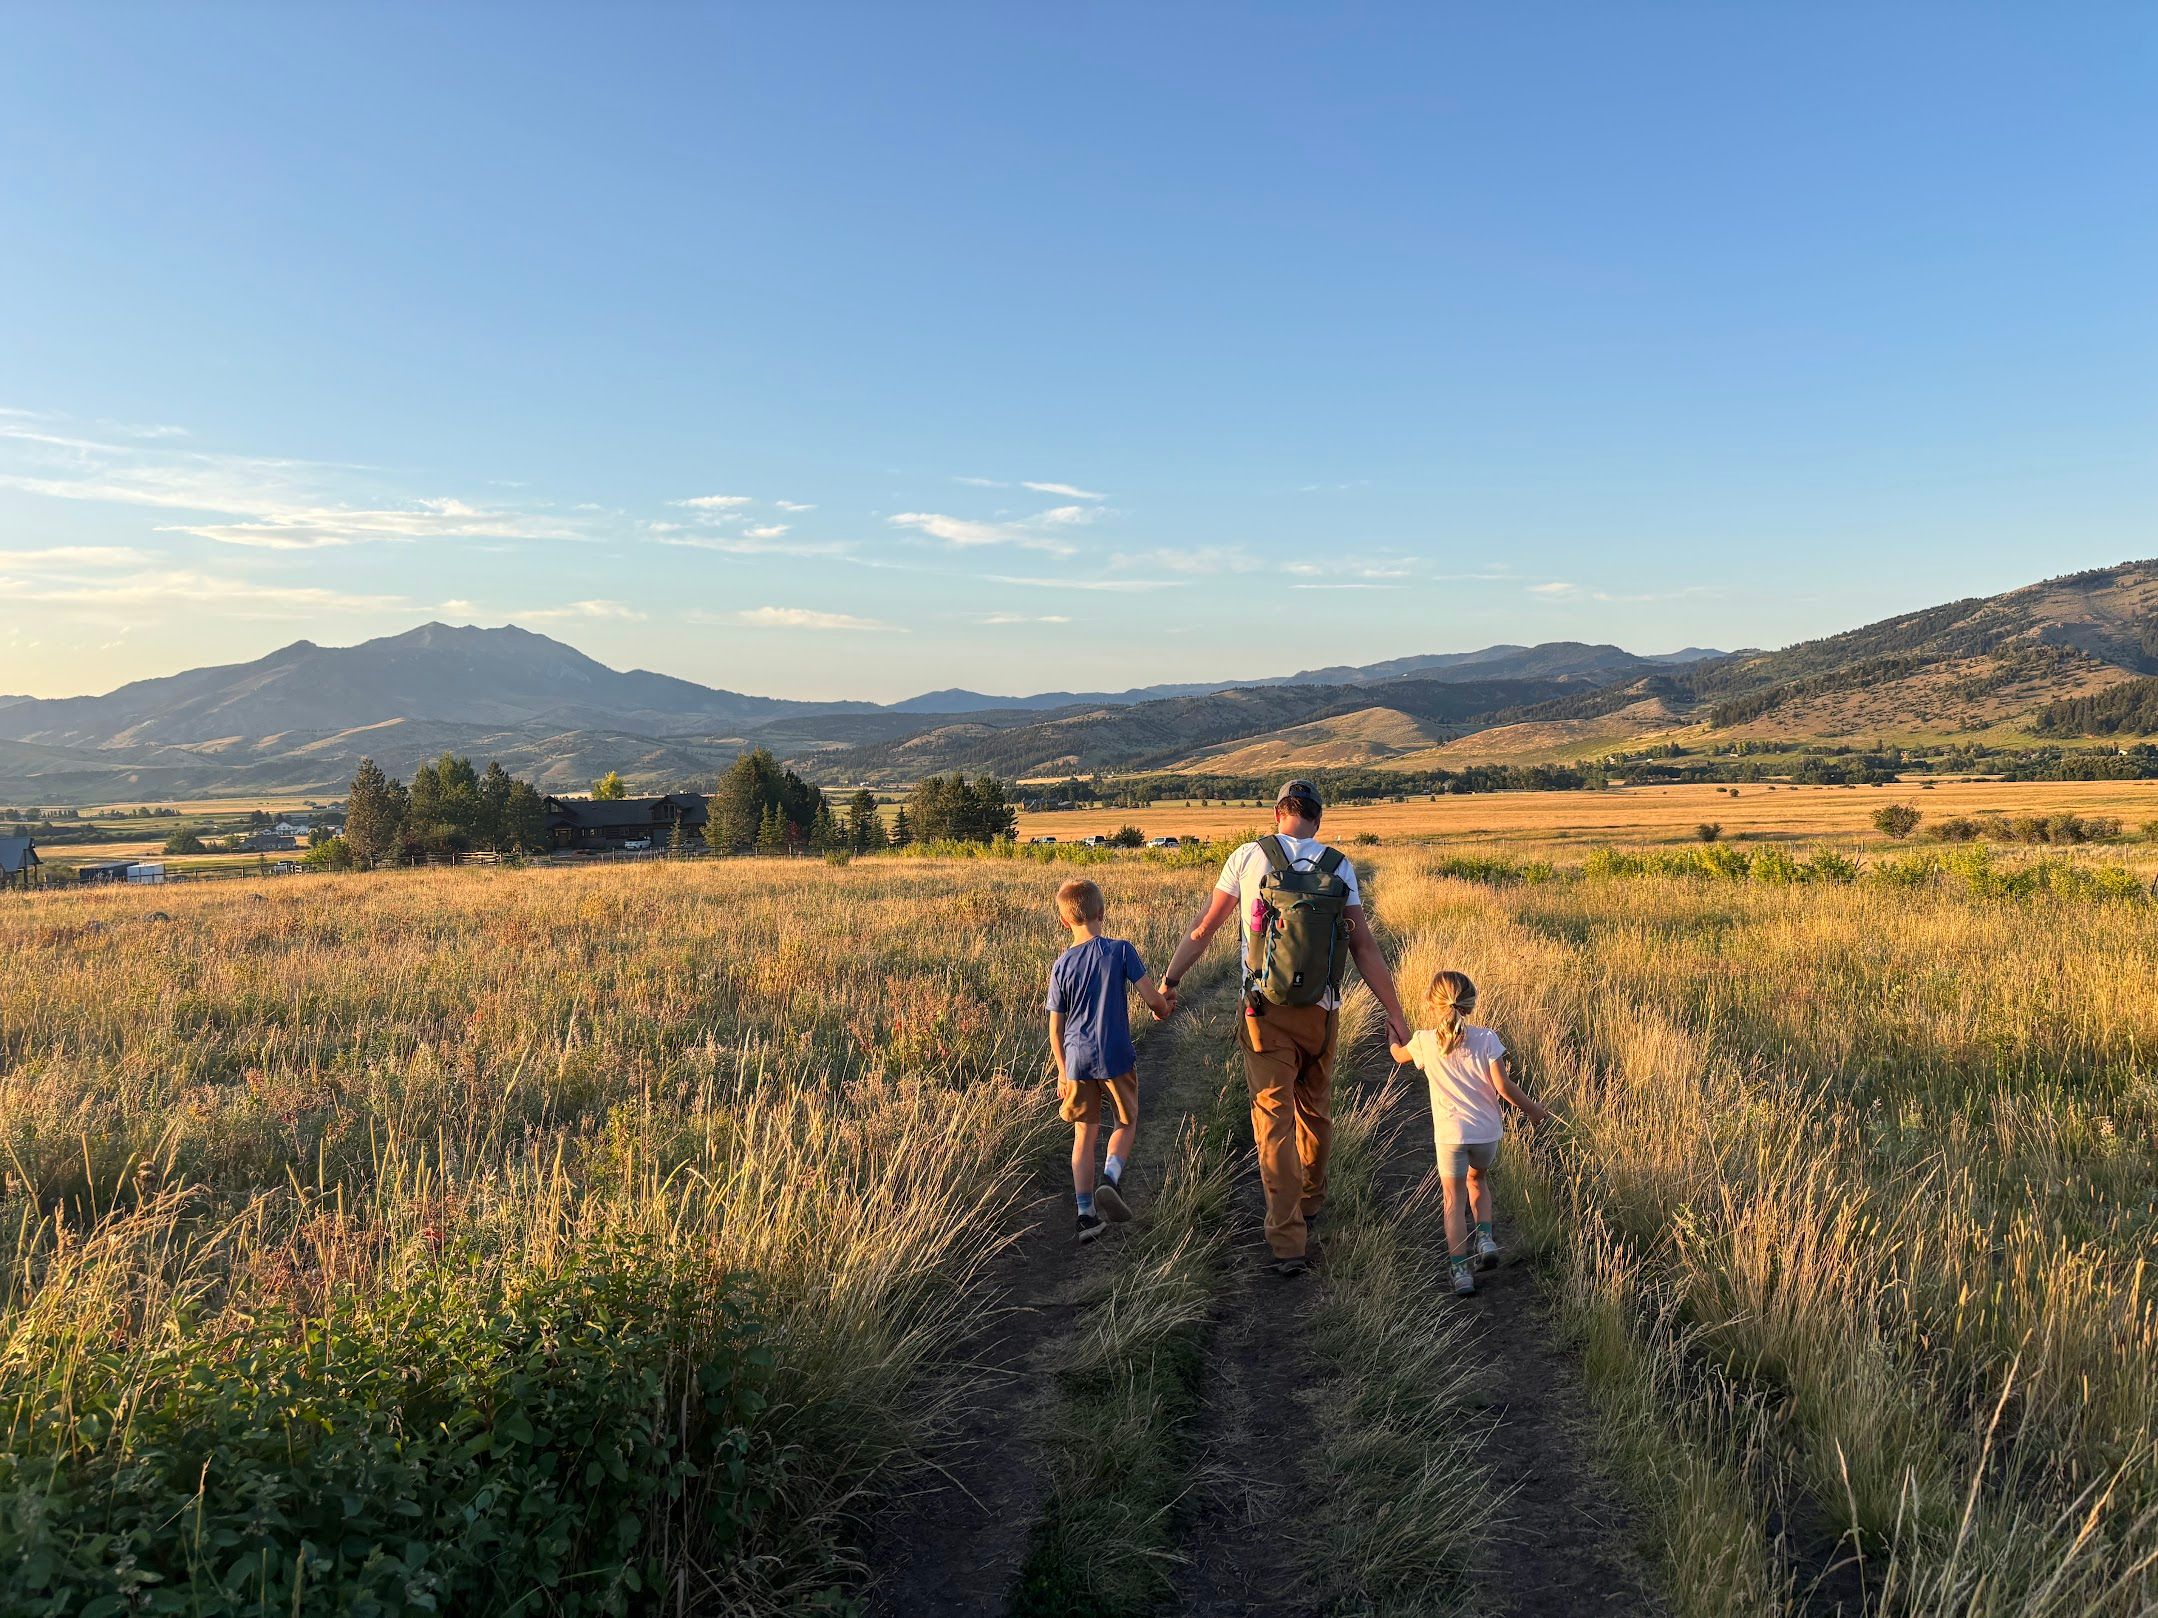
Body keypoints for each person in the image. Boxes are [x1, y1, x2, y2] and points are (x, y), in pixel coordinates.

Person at [1158, 780, 1409, 1276]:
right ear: (1318, 820)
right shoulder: (1338, 866)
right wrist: (1395, 1013)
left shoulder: (1248, 857)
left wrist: (1171, 979)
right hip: (1322, 1009)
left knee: (1272, 1118)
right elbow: (1363, 948)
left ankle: (1287, 1240)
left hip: (1262, 1010)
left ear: (1278, 814)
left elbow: (1205, 928)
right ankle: (1311, 1202)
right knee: (1314, 1111)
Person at [1388, 969, 1552, 1297]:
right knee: (1479, 1182)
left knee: (1453, 1200)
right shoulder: (1487, 1039)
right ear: (1471, 1003)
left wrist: (1393, 1035)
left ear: (1432, 1005)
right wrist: (1534, 1111)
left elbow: (1398, 1056)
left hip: (1450, 1138)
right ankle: (1486, 1238)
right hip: (1486, 1136)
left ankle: (1461, 1272)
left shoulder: (1423, 1042)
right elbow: (1503, 1086)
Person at [1046, 876, 1175, 1243]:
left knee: (1083, 1134)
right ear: (1102, 912)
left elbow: (1055, 1028)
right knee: (1126, 1120)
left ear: (1064, 921)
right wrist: (1165, 1007)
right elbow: (1153, 1000)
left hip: (1076, 1061)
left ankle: (1085, 1214)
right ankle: (1111, 1179)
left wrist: (1061, 1072)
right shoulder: (1121, 951)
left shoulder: (1061, 965)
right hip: (1116, 1055)